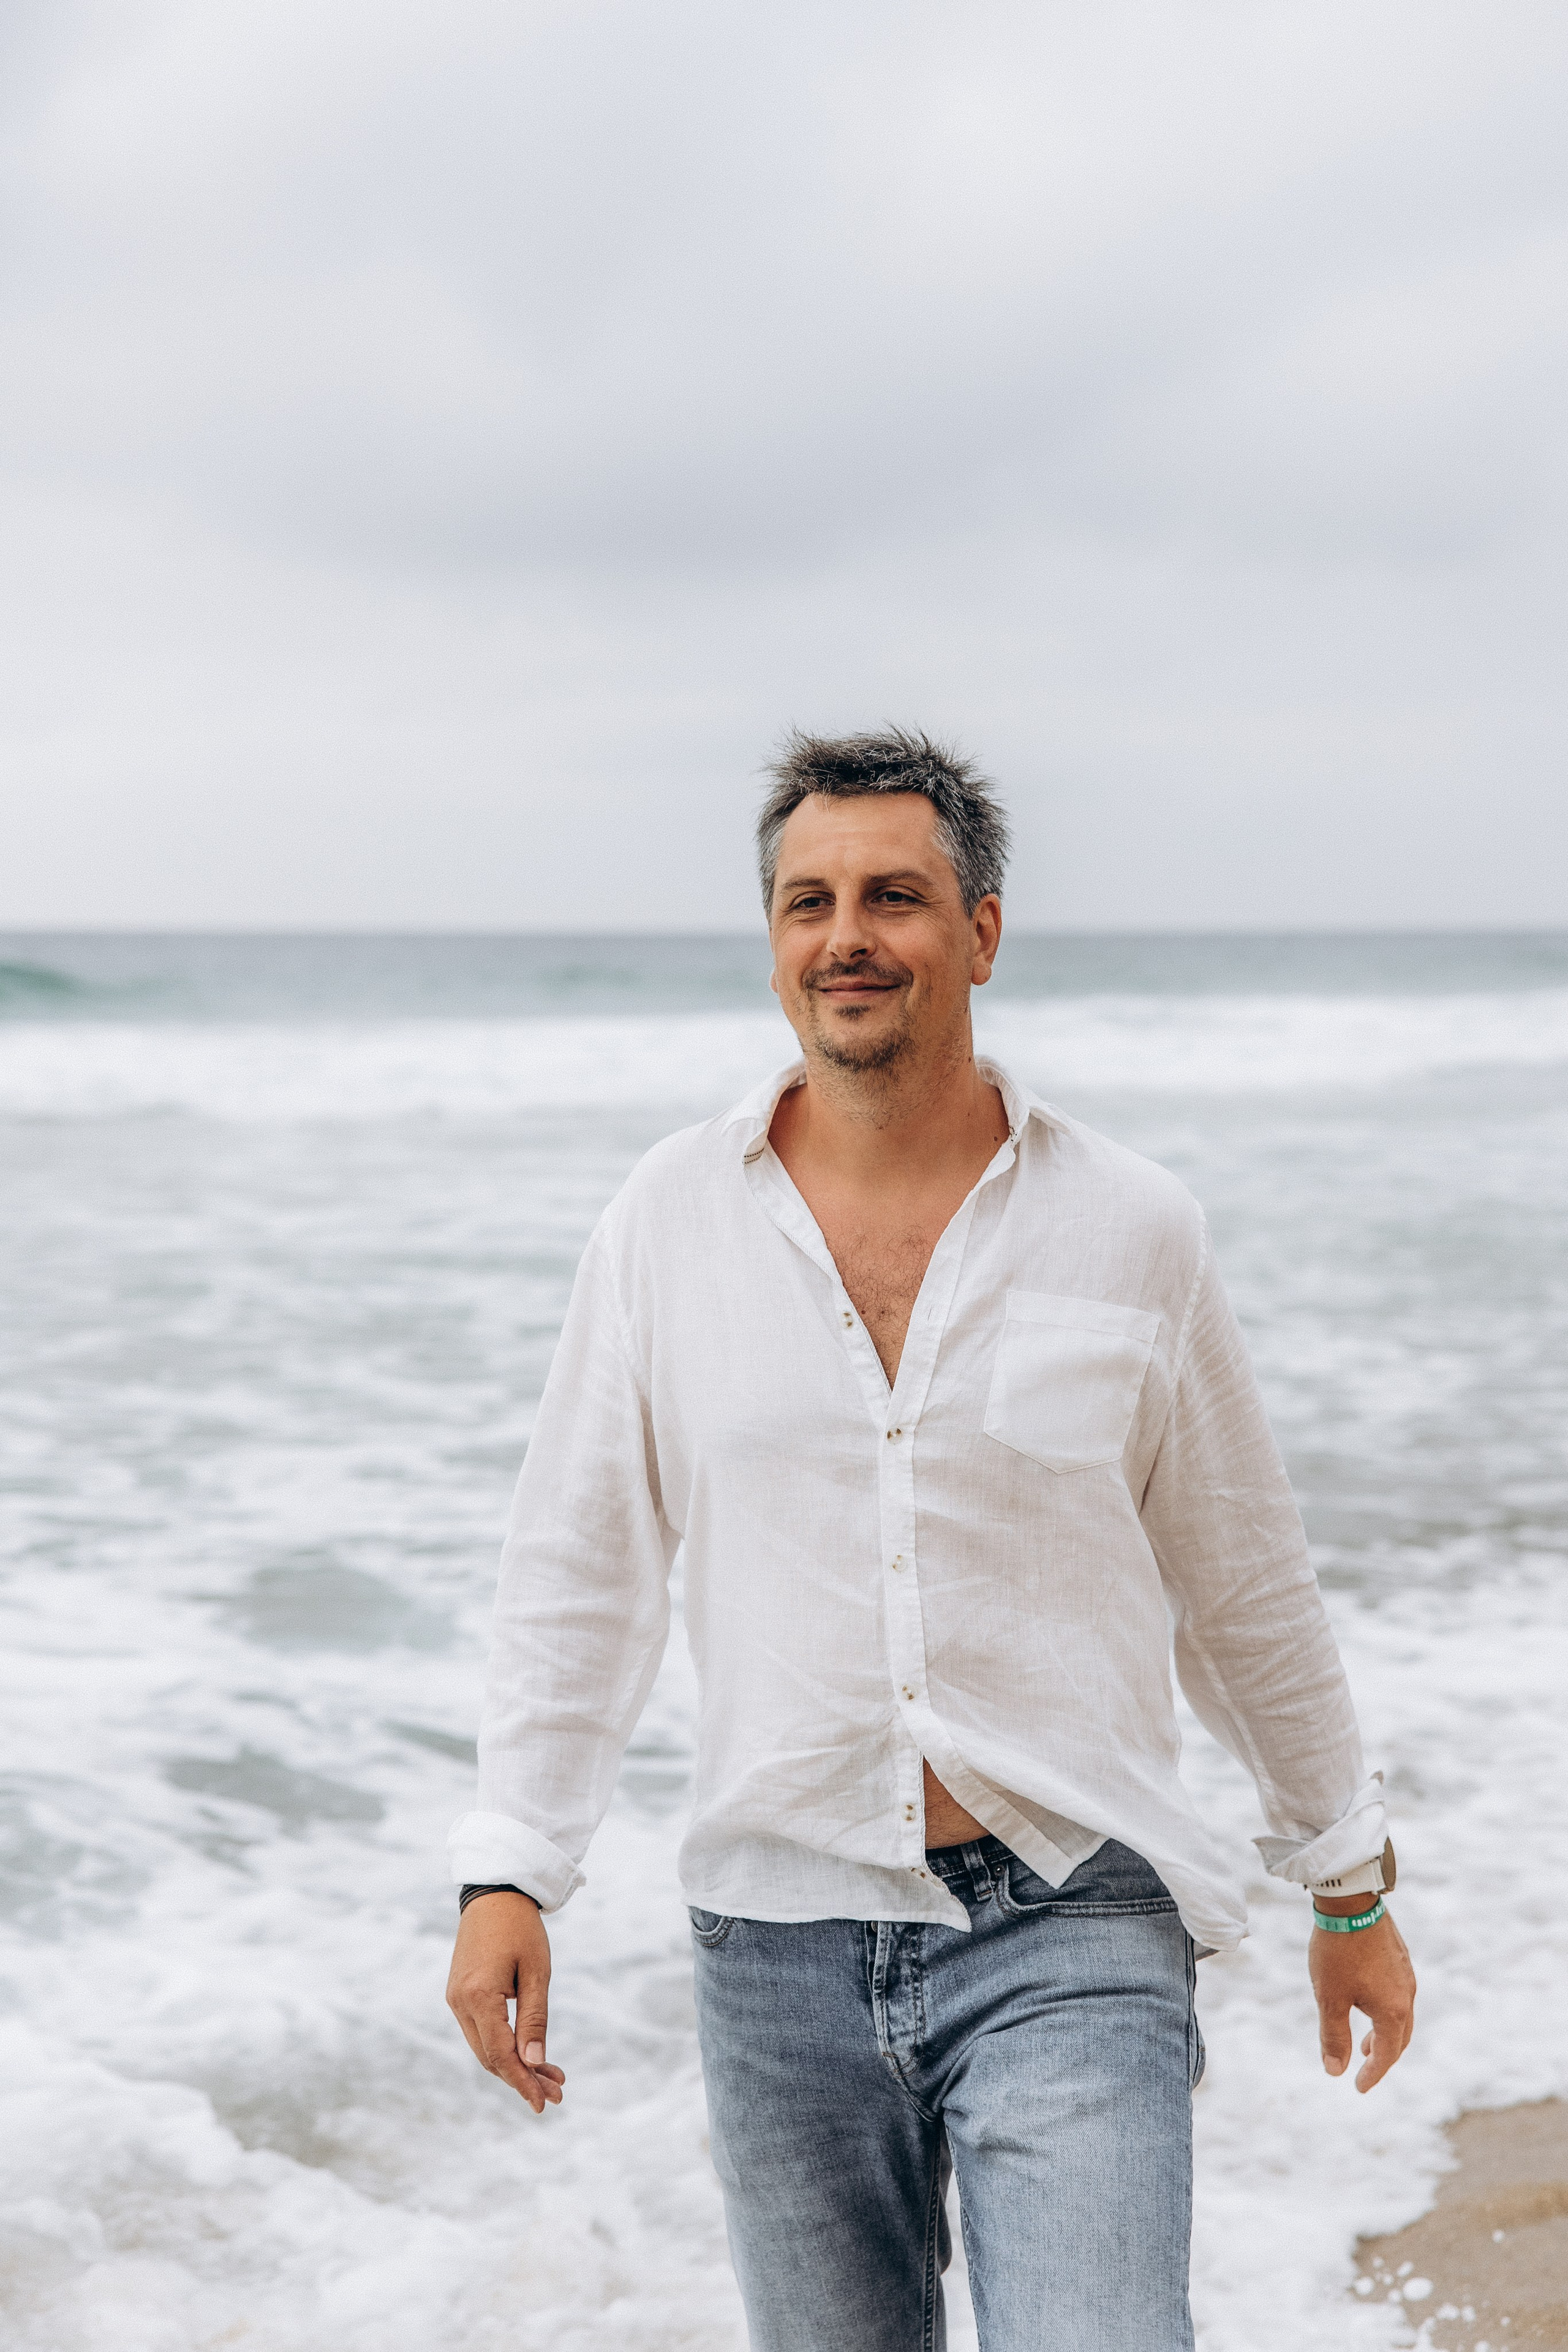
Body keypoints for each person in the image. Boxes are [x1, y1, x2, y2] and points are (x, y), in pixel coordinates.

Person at [445, 729, 1417, 2351]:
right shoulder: (665, 1222)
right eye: (808, 902)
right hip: (778, 1939)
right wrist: (512, 1868)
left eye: (893, 897)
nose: (848, 938)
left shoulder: (1133, 1226)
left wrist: (1346, 1883)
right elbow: (579, 1567)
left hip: (1074, 1912)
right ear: (774, 939)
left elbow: (1243, 1576)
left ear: (981, 931)